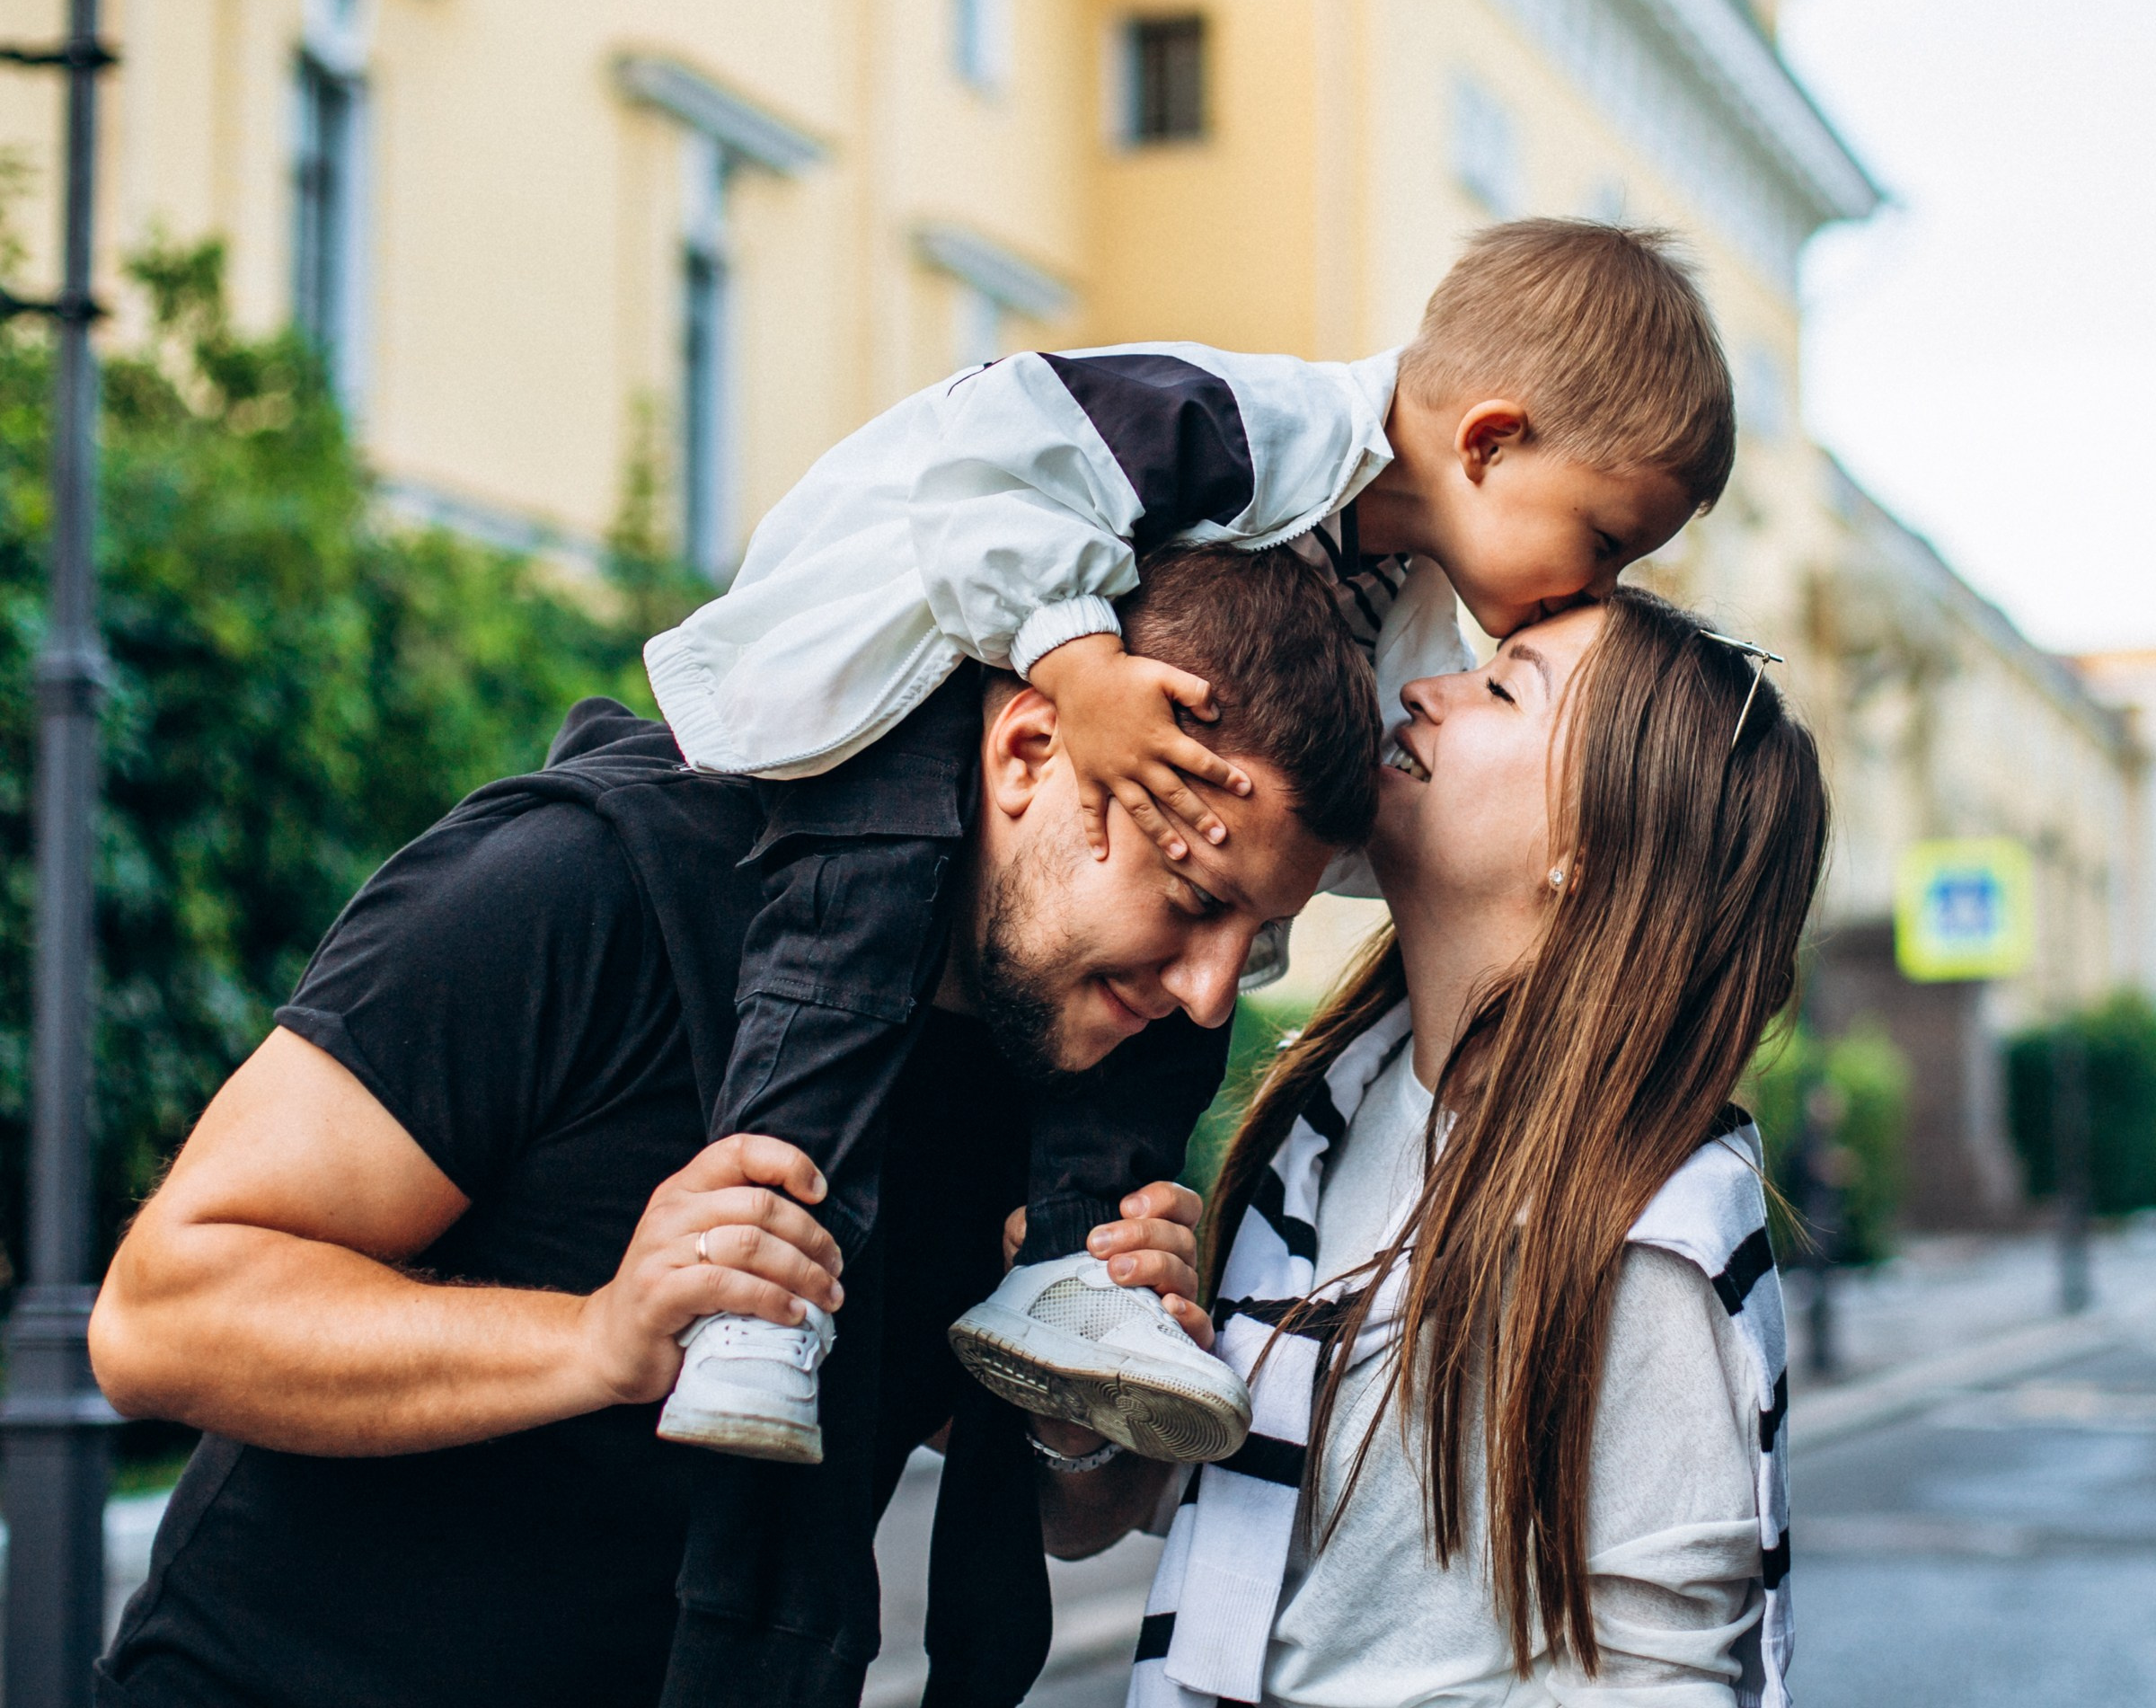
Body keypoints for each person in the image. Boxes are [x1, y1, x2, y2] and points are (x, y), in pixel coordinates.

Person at [87, 543, 1379, 1708]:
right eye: (1189, 890)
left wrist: (1076, 1415)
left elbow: (1073, 1513)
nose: (1209, 990)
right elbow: (162, 1317)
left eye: (1254, 945)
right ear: (1029, 749)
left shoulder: (1060, 1047)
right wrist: (595, 1339)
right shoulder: (587, 883)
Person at [643, 219, 1737, 1458]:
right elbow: (990, 463)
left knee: (1185, 1000)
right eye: (1604, 543)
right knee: (854, 923)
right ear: (1489, 441)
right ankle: (761, 1292)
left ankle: (1080, 1268)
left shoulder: (1410, 604)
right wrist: (1081, 661)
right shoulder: (1245, 420)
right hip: (911, 672)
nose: (1596, 591)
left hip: (1062, 765)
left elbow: (1392, 809)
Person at [1040, 588, 1829, 1708]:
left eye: (1503, 687)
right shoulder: (1330, 1115)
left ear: (1589, 855)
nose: (1422, 689)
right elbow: (1218, 1527)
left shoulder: (1648, 1229)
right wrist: (1091, 1414)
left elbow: (1657, 1684)